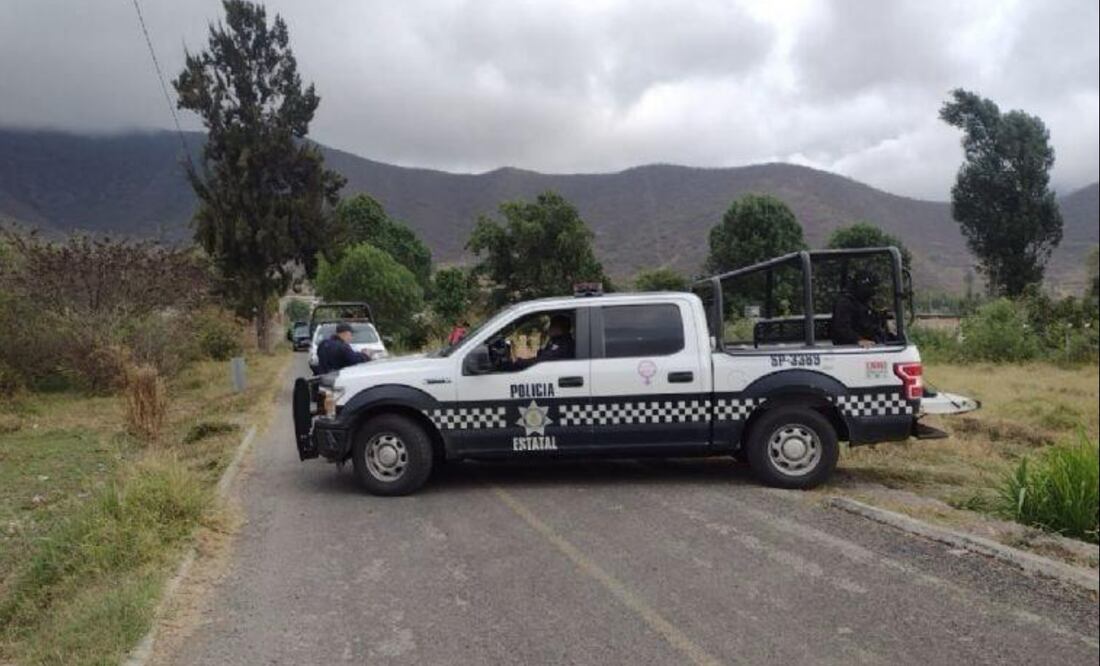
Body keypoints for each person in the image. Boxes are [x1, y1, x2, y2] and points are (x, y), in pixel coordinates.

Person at [831, 270, 886, 347]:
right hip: (850, 348)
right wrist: (858, 340)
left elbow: (871, 326)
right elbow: (841, 328)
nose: (873, 292)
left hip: (873, 344)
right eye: (870, 287)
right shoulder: (845, 303)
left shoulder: (865, 303)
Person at [508, 314, 575, 370]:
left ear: (559, 328)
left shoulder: (563, 345)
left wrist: (521, 362)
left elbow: (543, 360)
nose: (549, 328)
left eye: (552, 326)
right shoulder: (556, 341)